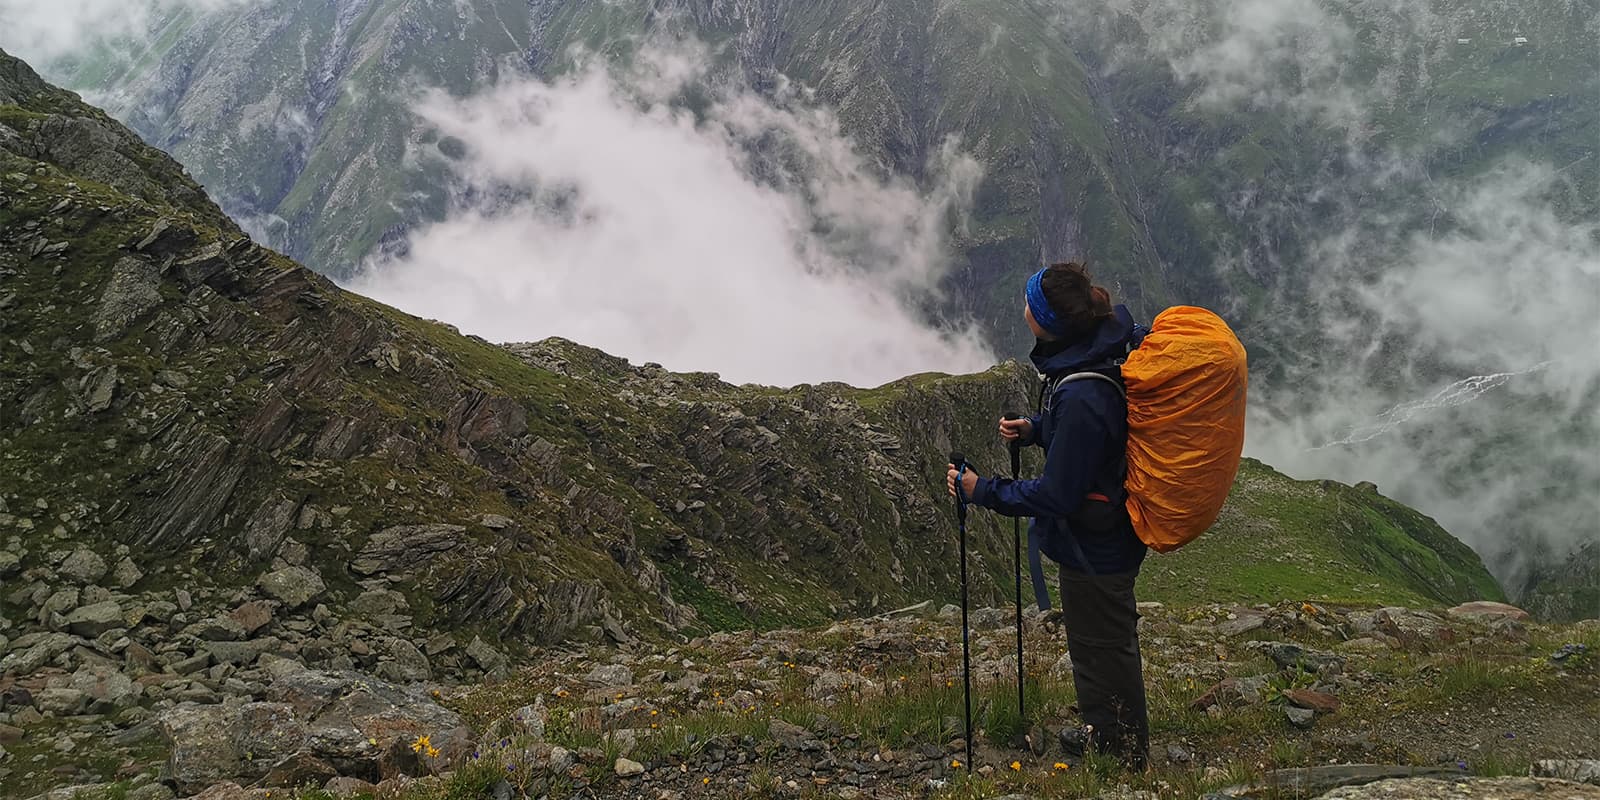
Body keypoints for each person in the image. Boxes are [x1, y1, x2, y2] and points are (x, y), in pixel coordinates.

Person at [945, 261, 1150, 769]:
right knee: (1097, 641)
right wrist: (1037, 430)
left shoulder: (1081, 390)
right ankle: (1108, 731)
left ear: (1046, 320)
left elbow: (1058, 495)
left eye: (1028, 305)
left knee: (1101, 644)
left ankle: (1123, 753)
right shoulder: (1087, 360)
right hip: (1104, 533)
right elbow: (1091, 436)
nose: (1021, 311)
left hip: (1097, 544)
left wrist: (982, 490)